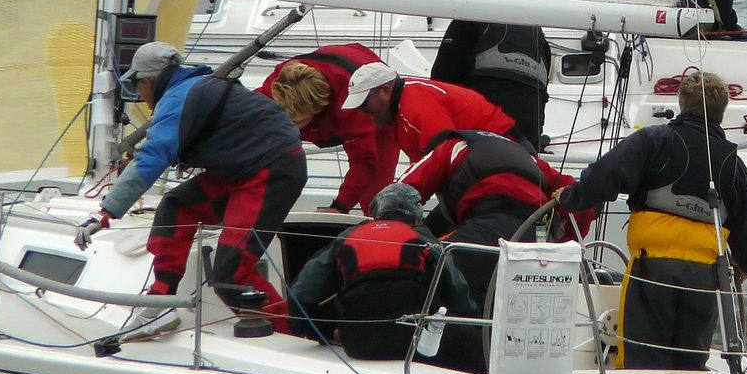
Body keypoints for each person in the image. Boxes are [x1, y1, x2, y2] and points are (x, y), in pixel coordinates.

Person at [555, 70, 747, 370]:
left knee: (643, 364)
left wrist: (570, 197)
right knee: (690, 368)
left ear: (681, 102)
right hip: (704, 282)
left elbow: (605, 176)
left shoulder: (654, 141)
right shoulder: (732, 165)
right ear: (722, 112)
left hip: (652, 273)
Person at [97, 41, 307, 331]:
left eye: (136, 85)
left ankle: (295, 331)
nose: (138, 94)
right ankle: (161, 301)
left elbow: (152, 156)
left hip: (268, 172)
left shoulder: (177, 99)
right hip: (244, 169)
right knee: (177, 206)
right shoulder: (195, 86)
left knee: (230, 275)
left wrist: (107, 211)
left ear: (149, 81)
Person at [284, 184, 480, 370]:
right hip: (414, 341)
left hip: (358, 344)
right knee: (478, 348)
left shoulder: (348, 237)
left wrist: (323, 331)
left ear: (376, 212)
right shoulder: (423, 239)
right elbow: (459, 294)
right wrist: (474, 324)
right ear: (417, 215)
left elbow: (299, 295)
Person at [399, 128, 588, 312]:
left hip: (485, 231)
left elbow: (398, 195)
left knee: (427, 270)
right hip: (536, 239)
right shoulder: (528, 158)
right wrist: (561, 244)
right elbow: (579, 198)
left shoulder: (449, 147)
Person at [257, 43, 395, 215]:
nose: (290, 127)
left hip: (366, 89)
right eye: (284, 119)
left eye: (295, 121)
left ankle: (383, 225)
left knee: (376, 195)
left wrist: (340, 206)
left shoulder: (356, 108)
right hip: (331, 64)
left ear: (316, 110)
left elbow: (364, 161)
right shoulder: (270, 93)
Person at [342, 63, 521, 164]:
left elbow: (442, 156)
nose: (362, 110)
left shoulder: (414, 104)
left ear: (386, 90)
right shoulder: (403, 110)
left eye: (364, 103)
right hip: (492, 151)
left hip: (502, 150)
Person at [430, 21, 552, 150]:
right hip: (526, 141)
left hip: (478, 138)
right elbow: (542, 97)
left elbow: (441, 81)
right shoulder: (538, 35)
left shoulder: (468, 20)